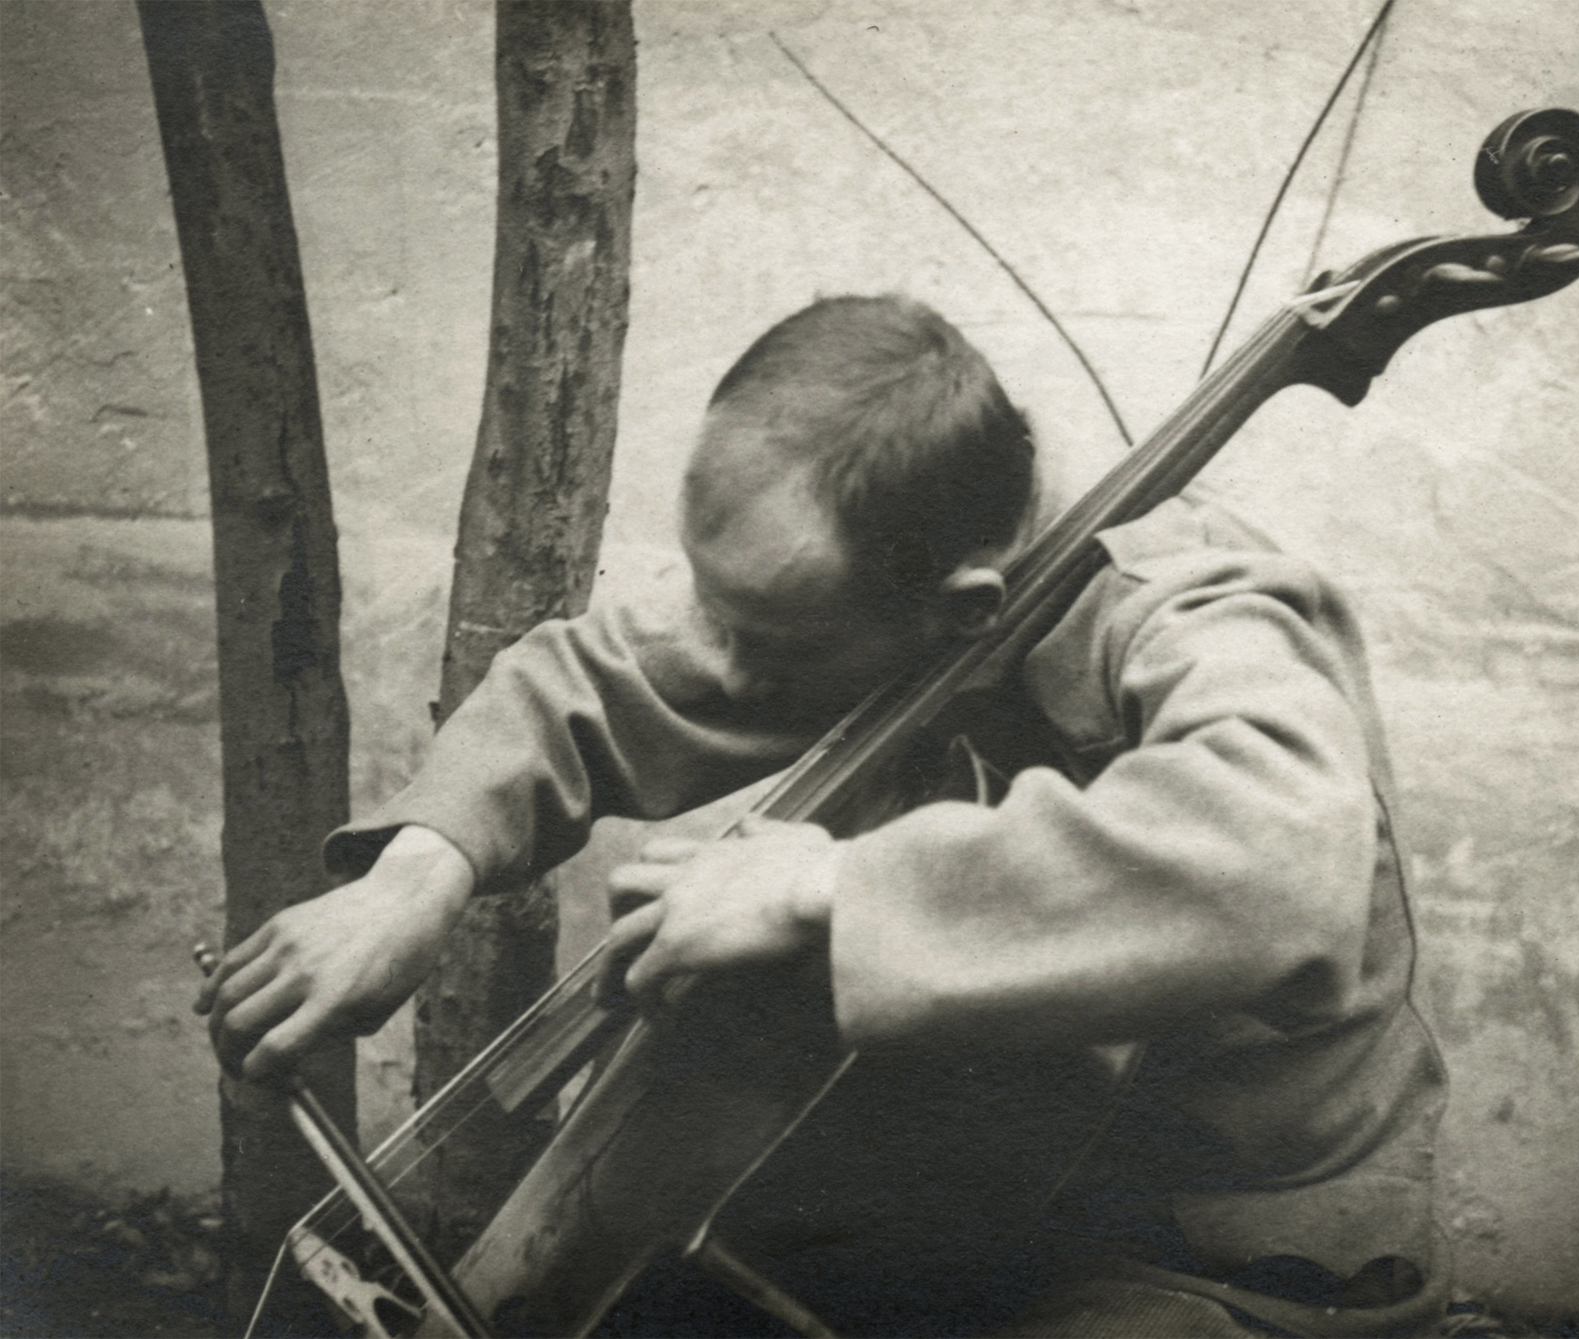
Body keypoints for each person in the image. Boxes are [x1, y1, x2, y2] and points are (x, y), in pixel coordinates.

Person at [196, 294, 1449, 1337]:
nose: (718, 663)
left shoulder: (1196, 606)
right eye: (713, 607)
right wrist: (413, 877)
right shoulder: (870, 579)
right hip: (1001, 1189)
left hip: (1225, 1255)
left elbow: (1279, 857)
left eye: (766, 642)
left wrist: (827, 890)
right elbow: (595, 679)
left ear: (961, 610)